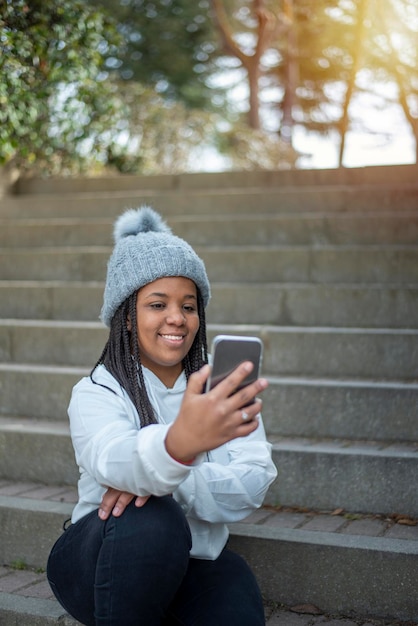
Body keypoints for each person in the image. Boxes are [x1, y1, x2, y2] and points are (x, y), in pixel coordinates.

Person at [47, 206, 277, 626]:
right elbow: (112, 458)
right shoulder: (96, 392)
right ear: (128, 317)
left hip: (195, 562)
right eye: (158, 304)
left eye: (189, 306)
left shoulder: (222, 390)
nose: (177, 317)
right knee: (152, 517)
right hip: (99, 558)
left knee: (235, 594)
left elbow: (253, 482)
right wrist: (181, 445)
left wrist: (171, 475)